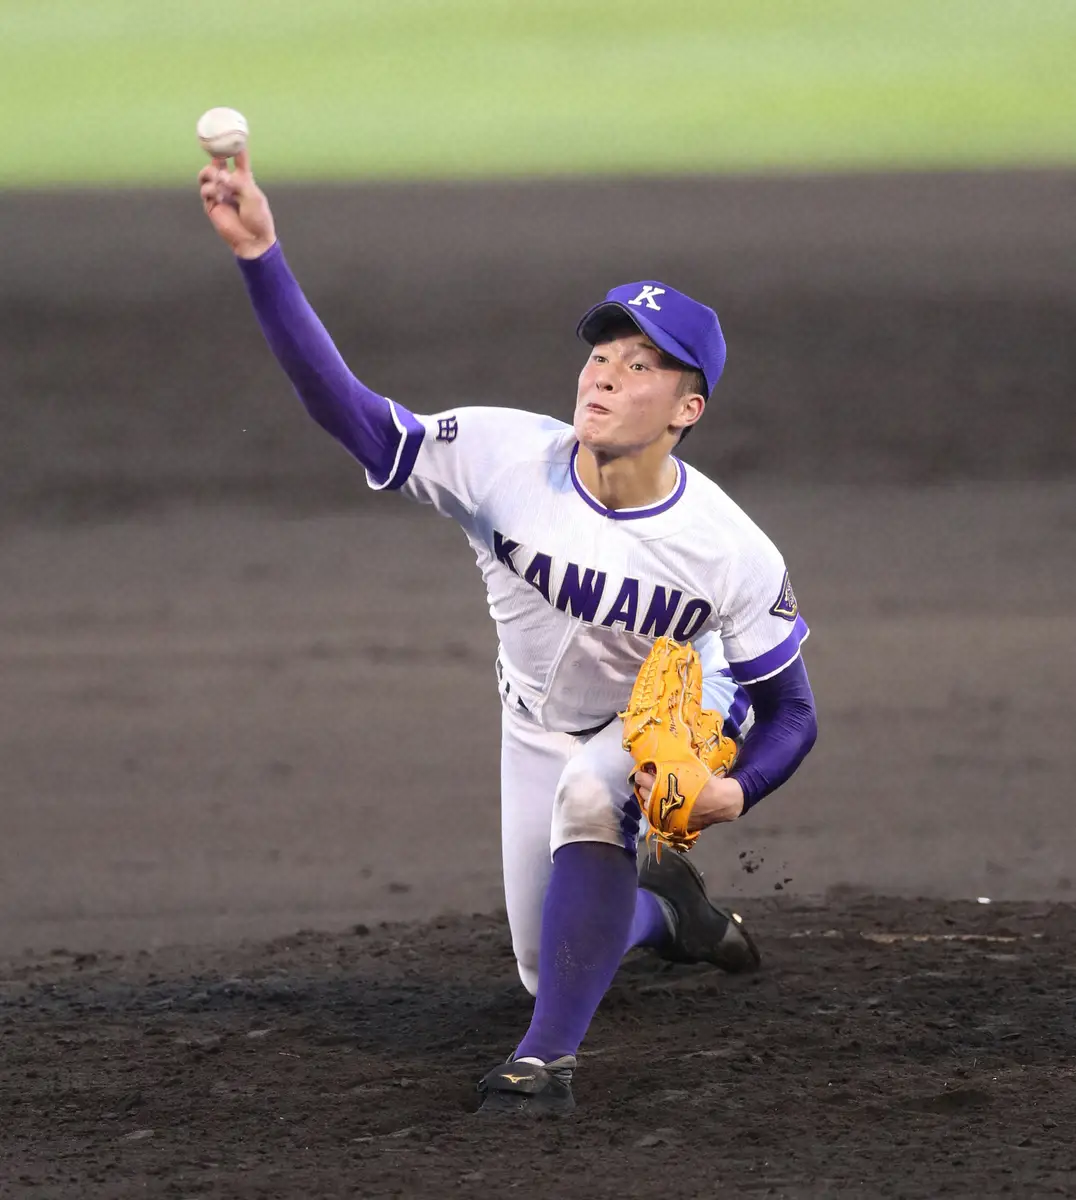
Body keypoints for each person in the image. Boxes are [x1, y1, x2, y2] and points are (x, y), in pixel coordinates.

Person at [198, 150, 819, 1116]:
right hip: (532, 715)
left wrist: (733, 788)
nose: (606, 376)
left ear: (688, 410)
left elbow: (792, 711)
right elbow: (352, 416)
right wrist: (262, 255)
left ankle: (544, 1067)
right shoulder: (499, 456)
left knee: (590, 796)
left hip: (666, 715)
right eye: (602, 354)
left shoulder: (729, 549)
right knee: (547, 956)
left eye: (642, 364)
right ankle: (673, 916)